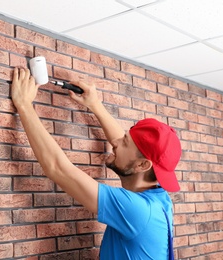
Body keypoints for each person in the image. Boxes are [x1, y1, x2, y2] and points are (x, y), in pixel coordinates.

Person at [11, 67, 182, 259]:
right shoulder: (158, 198)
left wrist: (24, 104)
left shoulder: (137, 209)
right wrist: (94, 104)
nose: (115, 143)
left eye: (124, 142)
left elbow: (58, 169)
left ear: (143, 166)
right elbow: (128, 147)